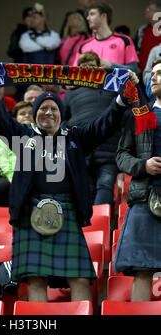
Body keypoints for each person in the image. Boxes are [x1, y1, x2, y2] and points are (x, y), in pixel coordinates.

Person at [0, 58, 138, 303]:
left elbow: (104, 124)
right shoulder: (23, 135)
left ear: (61, 114)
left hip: (67, 209)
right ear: (34, 114)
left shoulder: (74, 136)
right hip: (30, 211)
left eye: (53, 109)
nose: (48, 112)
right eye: (42, 108)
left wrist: (121, 99)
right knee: (36, 277)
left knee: (81, 278)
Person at [113, 57, 161, 301]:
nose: (153, 77)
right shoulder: (137, 114)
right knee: (142, 270)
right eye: (152, 73)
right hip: (144, 197)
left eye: (159, 73)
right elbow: (121, 156)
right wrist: (144, 165)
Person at [63, 51, 129, 210]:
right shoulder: (110, 87)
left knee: (98, 186)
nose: (87, 69)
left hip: (95, 147)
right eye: (84, 66)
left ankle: (95, 227)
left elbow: (63, 121)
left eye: (91, 65)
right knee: (101, 186)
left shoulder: (72, 92)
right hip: (93, 147)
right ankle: (96, 226)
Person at [0, 101, 34, 207]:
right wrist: (12, 175)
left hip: (33, 177)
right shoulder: (3, 134)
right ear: (15, 118)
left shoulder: (41, 133)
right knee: (1, 187)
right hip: (9, 177)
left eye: (30, 113)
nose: (27, 115)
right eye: (22, 113)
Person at [73, 1, 139, 72]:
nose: (88, 18)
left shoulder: (125, 41)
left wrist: (111, 65)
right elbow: (74, 72)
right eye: (87, 15)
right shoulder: (83, 46)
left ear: (103, 16)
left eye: (92, 14)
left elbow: (134, 70)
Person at [135, 2, 161, 75]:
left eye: (150, 9)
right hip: (142, 73)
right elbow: (136, 50)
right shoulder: (142, 30)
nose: (145, 11)